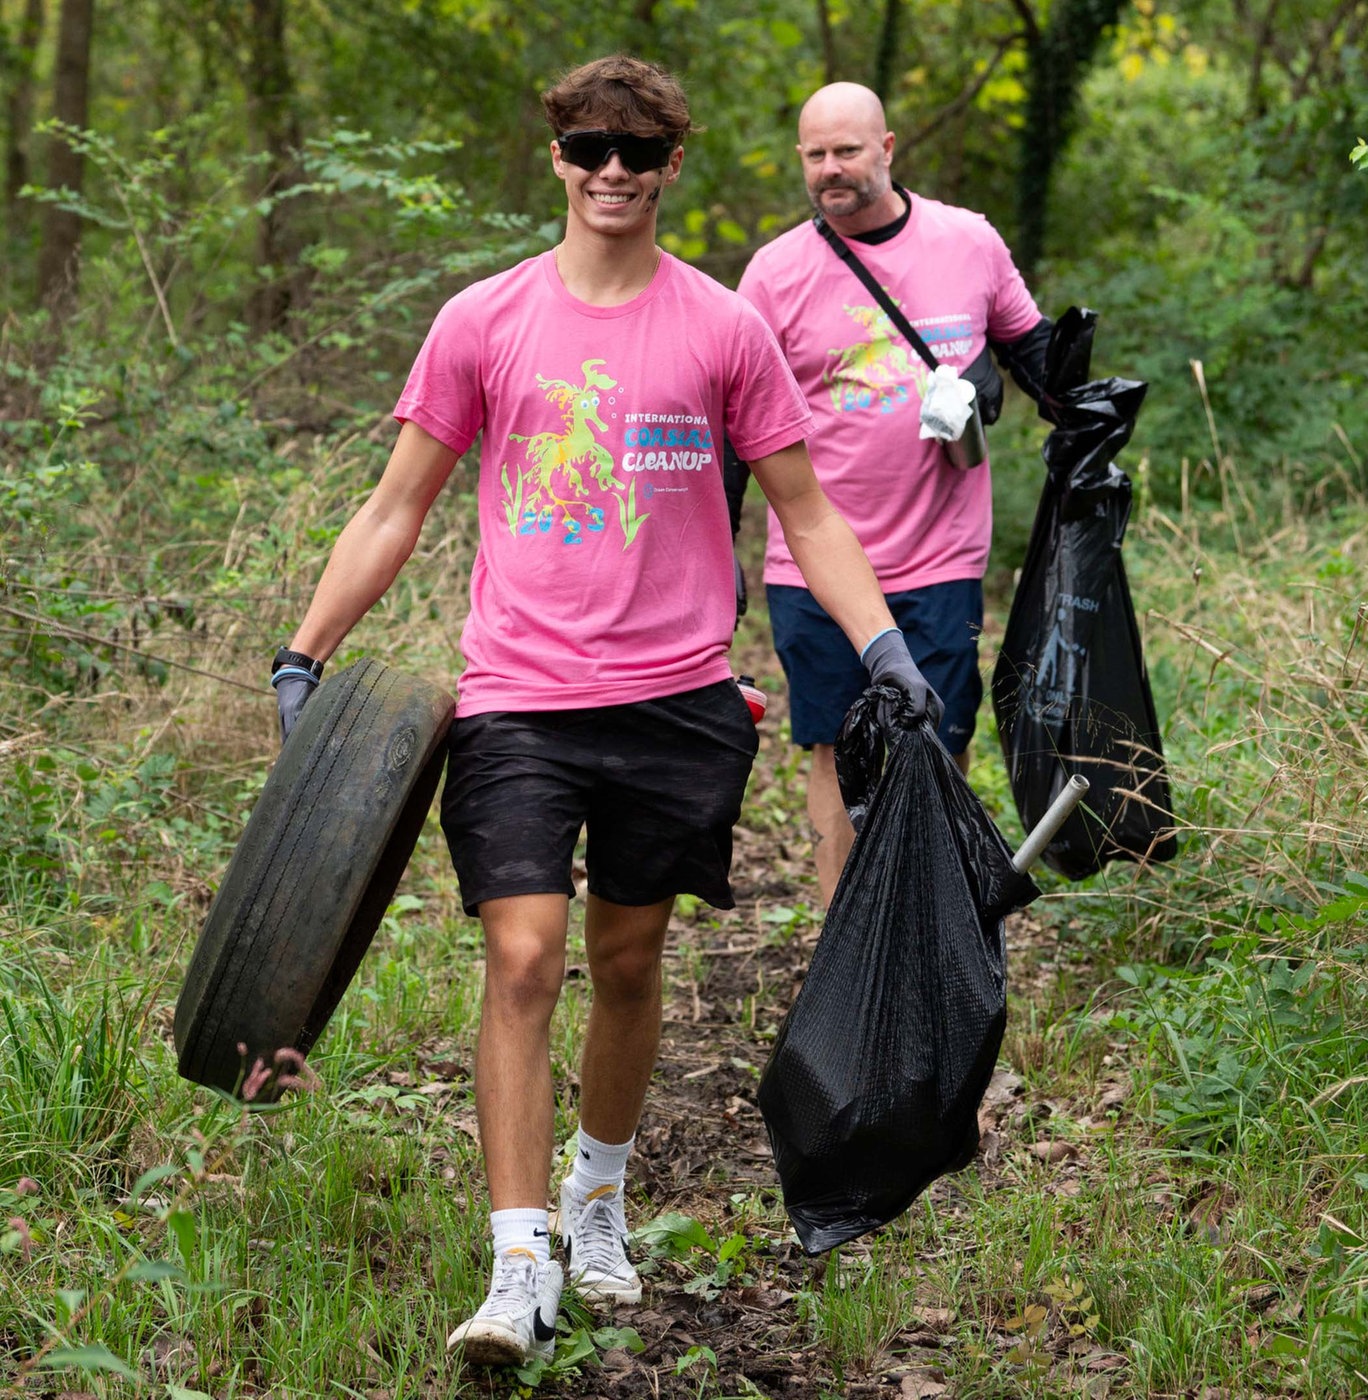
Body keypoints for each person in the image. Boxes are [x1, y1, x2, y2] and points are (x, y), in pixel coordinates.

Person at [270, 57, 934, 1371]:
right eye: (589, 147)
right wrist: (305, 650)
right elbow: (398, 502)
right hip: (518, 697)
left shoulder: (722, 328)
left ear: (672, 163)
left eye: (638, 151)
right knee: (521, 958)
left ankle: (600, 1198)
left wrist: (887, 651)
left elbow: (805, 508)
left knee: (629, 962)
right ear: (557, 158)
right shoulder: (485, 321)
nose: (612, 170)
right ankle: (520, 1264)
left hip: (679, 703)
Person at [729, 81, 1055, 907]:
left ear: (888, 148)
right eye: (815, 155)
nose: (831, 169)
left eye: (847, 150)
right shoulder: (774, 273)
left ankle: (931, 931)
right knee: (840, 755)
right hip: (814, 567)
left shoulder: (968, 243)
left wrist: (1078, 402)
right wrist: (713, 551)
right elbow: (728, 419)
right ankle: (848, 944)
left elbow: (1034, 352)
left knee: (938, 746)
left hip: (941, 558)